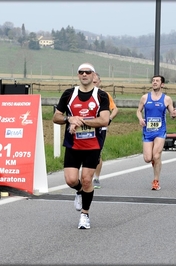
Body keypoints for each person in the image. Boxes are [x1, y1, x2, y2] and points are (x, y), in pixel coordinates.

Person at [52, 63, 110, 229]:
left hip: (93, 144)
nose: (84, 75)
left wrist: (81, 120)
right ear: (78, 75)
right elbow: (56, 117)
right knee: (71, 180)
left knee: (86, 180)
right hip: (73, 144)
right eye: (81, 72)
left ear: (93, 75)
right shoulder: (69, 94)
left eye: (88, 72)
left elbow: (104, 120)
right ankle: (79, 192)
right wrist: (69, 119)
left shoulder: (101, 95)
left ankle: (85, 214)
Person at [136, 75, 176, 190]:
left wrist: (174, 114)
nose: (154, 82)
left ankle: (156, 181)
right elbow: (138, 111)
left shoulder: (166, 99)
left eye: (157, 81)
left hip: (160, 131)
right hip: (147, 132)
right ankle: (156, 163)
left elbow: (172, 114)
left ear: (162, 84)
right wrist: (140, 119)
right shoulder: (145, 97)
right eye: (153, 81)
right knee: (148, 158)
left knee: (156, 155)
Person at [92, 72, 118, 189]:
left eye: (95, 82)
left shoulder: (104, 95)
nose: (93, 84)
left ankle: (96, 178)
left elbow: (115, 109)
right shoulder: (81, 94)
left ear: (99, 82)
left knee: (97, 153)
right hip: (84, 129)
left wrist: (109, 119)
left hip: (100, 128)